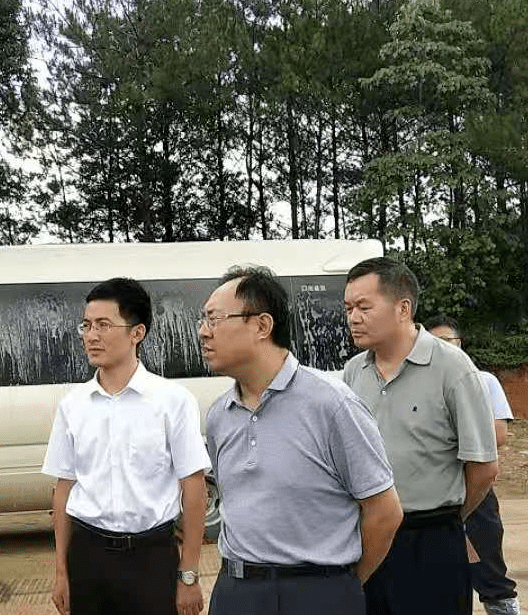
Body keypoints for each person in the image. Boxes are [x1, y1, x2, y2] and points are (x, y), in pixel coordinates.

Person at [201, 266, 402, 615]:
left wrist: (341, 583)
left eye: (214, 319)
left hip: (317, 593)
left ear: (262, 326)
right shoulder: (220, 414)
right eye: (203, 321)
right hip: (236, 592)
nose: (204, 332)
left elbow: (384, 511)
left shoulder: (332, 405)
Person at [42, 277, 210, 615]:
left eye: (104, 325)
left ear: (137, 333)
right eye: (86, 325)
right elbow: (63, 491)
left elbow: (193, 488)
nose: (91, 336)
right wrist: (62, 572)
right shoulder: (73, 406)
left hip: (151, 557)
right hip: (89, 556)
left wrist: (188, 575)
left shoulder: (172, 401)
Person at [342, 257, 498, 615]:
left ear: (403, 308)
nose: (353, 317)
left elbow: (484, 468)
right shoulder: (354, 372)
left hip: (430, 540)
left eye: (364, 306)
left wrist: (448, 520)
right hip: (368, 535)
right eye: (349, 307)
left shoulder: (453, 369)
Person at [425, 315, 521, 615]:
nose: (442, 350)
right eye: (433, 344)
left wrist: (444, 441)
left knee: (490, 573)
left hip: (475, 491)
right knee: (439, 579)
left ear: (460, 344)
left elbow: (498, 435)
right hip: (431, 496)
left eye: (447, 343)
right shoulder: (420, 385)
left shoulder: (483, 380)